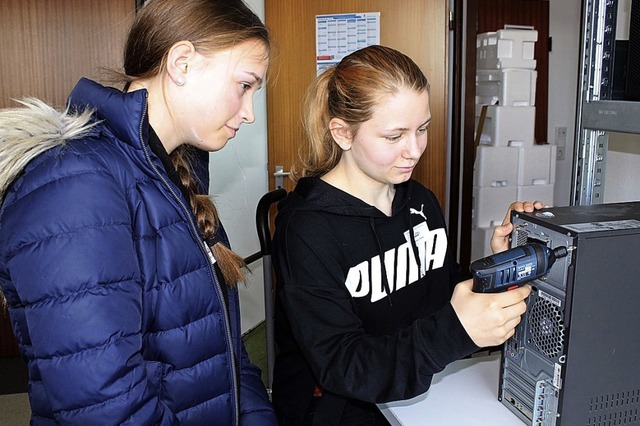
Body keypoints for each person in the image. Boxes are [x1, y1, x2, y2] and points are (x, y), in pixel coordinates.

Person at [0, 0, 277, 424]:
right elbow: (106, 407)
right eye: (244, 85)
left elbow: (226, 352)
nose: (250, 113)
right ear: (182, 63)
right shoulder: (75, 185)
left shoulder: (177, 177)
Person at [270, 45, 541, 425]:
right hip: (342, 411)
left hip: (427, 394)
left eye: (422, 129)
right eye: (394, 136)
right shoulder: (306, 229)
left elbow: (439, 292)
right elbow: (342, 364)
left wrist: (495, 270)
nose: (413, 150)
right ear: (343, 133)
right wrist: (452, 331)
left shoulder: (421, 200)